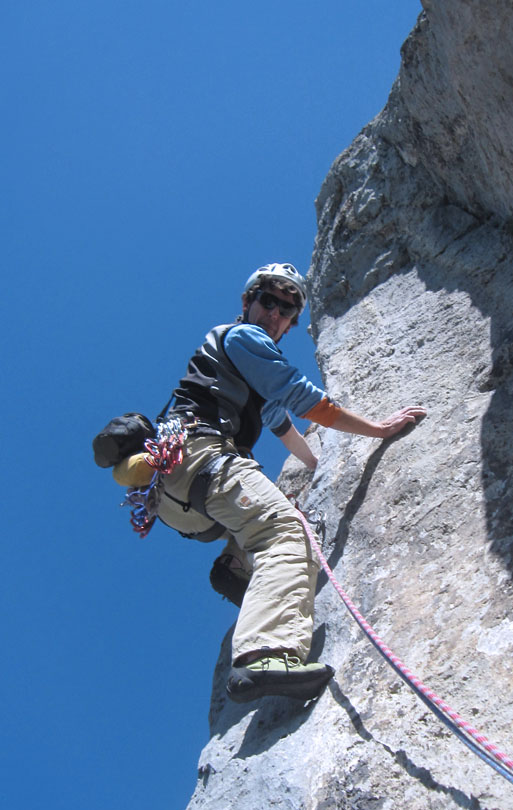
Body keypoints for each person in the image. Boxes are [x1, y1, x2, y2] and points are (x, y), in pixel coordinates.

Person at [154, 262, 426, 705]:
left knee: (267, 514)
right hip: (204, 459)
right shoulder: (245, 338)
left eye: (288, 310)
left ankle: (237, 566)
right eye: (269, 300)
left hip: (176, 492)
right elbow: (302, 399)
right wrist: (378, 430)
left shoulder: (234, 363)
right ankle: (266, 654)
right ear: (248, 302)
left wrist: (319, 463)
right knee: (287, 530)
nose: (276, 314)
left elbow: (278, 421)